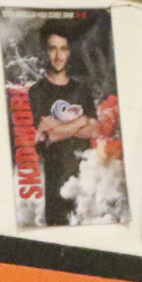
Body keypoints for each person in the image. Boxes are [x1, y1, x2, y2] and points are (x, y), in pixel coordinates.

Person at [29, 30, 98, 227]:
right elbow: (45, 133)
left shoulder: (81, 90)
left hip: (83, 175)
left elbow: (94, 130)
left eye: (63, 49)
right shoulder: (37, 91)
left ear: (69, 52)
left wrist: (58, 128)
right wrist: (81, 121)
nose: (58, 56)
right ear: (45, 52)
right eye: (53, 49)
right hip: (54, 178)